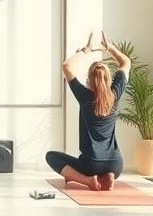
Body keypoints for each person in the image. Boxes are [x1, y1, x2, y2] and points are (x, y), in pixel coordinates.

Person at [45, 32, 131, 190]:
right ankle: (109, 175)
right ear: (109, 78)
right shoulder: (115, 95)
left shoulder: (84, 96)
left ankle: (88, 181)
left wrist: (87, 49)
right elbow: (126, 63)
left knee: (51, 157)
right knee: (108, 168)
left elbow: (66, 66)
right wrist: (110, 48)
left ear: (89, 79)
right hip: (116, 164)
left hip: (90, 165)